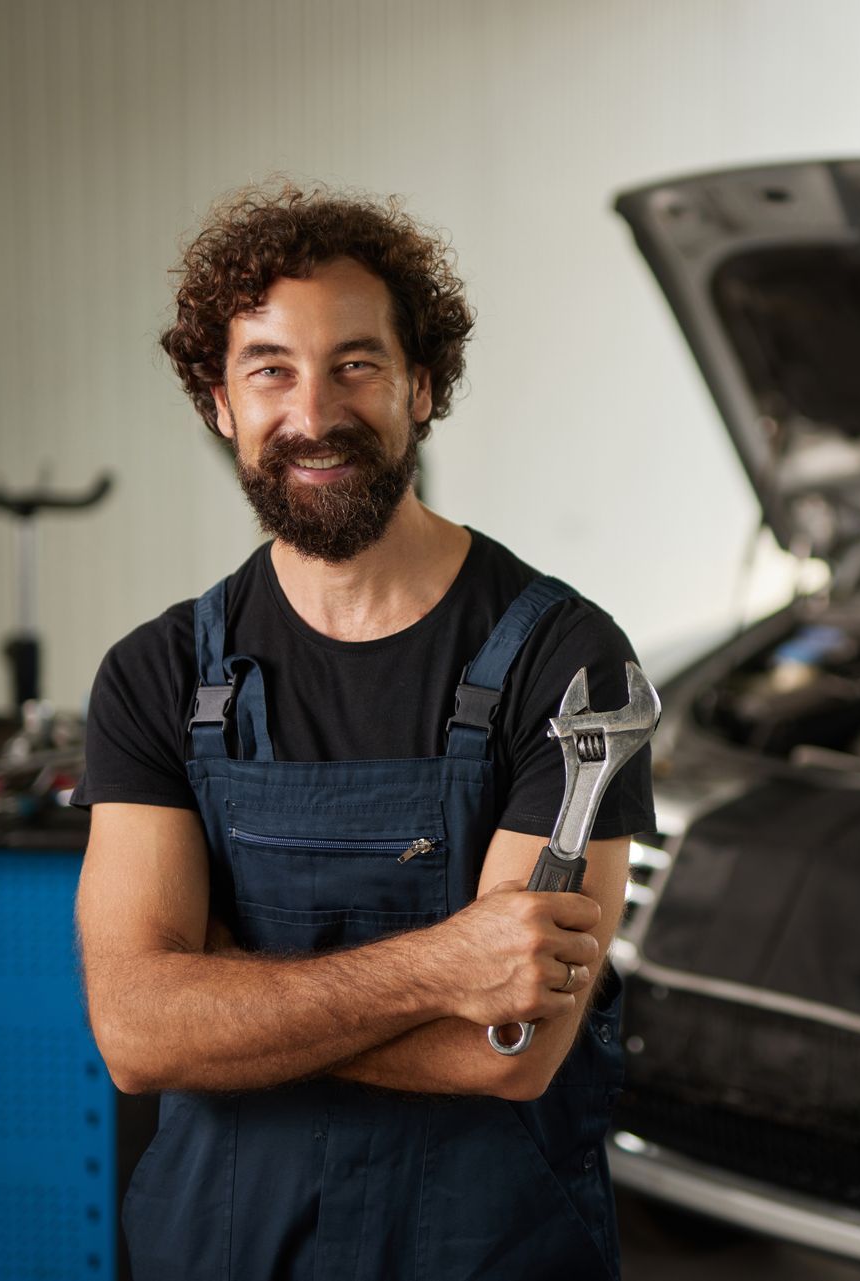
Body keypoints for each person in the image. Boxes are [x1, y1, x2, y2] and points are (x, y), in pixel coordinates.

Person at [71, 182, 654, 1281]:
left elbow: (512, 1052)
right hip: (223, 1249)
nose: (314, 413)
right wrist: (445, 962)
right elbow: (140, 1034)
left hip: (489, 1250)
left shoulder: (566, 664)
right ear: (218, 404)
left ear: (421, 386)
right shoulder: (154, 678)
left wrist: (236, 1000)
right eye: (270, 370)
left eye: (357, 364)